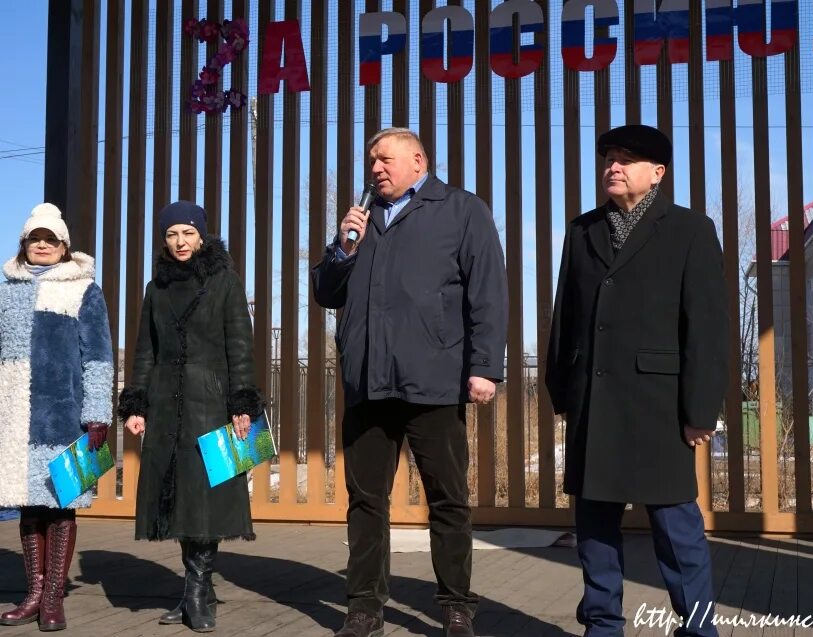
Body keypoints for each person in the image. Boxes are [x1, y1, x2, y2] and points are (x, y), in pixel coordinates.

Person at [312, 127, 508, 637]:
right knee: (366, 501)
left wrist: (485, 366)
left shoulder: (462, 210)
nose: (375, 168)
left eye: (385, 158)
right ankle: (363, 608)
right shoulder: (361, 221)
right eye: (371, 160)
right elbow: (326, 293)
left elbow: (488, 291)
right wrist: (341, 248)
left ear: (418, 160)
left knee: (447, 497)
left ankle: (457, 605)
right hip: (367, 385)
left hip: (434, 381)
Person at [546, 124, 729, 637]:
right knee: (595, 525)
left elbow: (707, 326)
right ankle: (602, 624)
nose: (613, 166)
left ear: (658, 172)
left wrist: (699, 410)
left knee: (677, 527)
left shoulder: (690, 229)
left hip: (658, 403)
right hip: (595, 398)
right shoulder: (582, 231)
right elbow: (567, 314)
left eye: (627, 158)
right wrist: (563, 388)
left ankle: (697, 627)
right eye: (608, 157)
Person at [118, 201, 265, 633]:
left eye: (187, 233)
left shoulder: (225, 281)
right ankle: (192, 588)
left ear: (202, 235)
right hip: (166, 402)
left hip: (213, 399)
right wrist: (137, 403)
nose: (180, 242)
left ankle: (199, 590)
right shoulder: (155, 287)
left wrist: (242, 403)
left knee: (207, 495)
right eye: (171, 235)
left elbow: (240, 343)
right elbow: (146, 350)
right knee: (177, 494)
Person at [0, 203, 113, 632]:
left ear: (64, 247)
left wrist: (98, 414)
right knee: (29, 507)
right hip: (14, 419)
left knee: (62, 507)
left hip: (63, 415)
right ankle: (31, 594)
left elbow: (98, 358)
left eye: (51, 239)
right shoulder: (6, 290)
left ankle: (53, 599)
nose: (42, 245)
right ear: (24, 244)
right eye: (35, 238)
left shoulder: (84, 289)